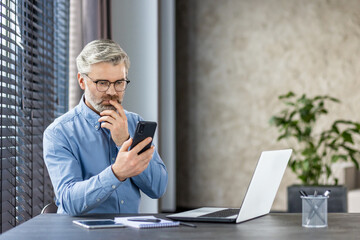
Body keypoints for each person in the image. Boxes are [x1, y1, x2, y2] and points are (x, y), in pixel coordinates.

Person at [43, 39, 168, 216]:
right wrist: (116, 173)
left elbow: (158, 188)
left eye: (119, 82)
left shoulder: (135, 123)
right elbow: (69, 201)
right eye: (102, 83)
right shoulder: (58, 133)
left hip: (129, 233)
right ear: (82, 81)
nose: (112, 91)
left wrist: (125, 141)